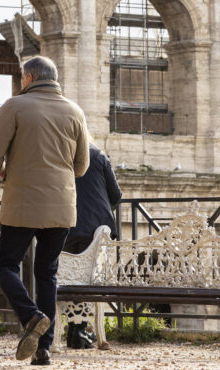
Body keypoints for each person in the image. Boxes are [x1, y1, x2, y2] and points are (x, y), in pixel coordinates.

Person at [0, 56, 89, 366]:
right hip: (62, 206)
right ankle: (44, 349)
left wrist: (3, 170)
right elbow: (81, 166)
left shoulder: (15, 106)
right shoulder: (75, 111)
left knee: (5, 264)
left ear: (27, 78)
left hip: (23, 202)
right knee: (47, 273)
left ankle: (31, 316)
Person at [63, 140, 121, 349]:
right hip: (96, 230)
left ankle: (73, 331)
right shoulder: (98, 156)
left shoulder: (61, 156)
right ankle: (80, 331)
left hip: (65, 226)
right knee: (90, 278)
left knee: (68, 277)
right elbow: (116, 195)